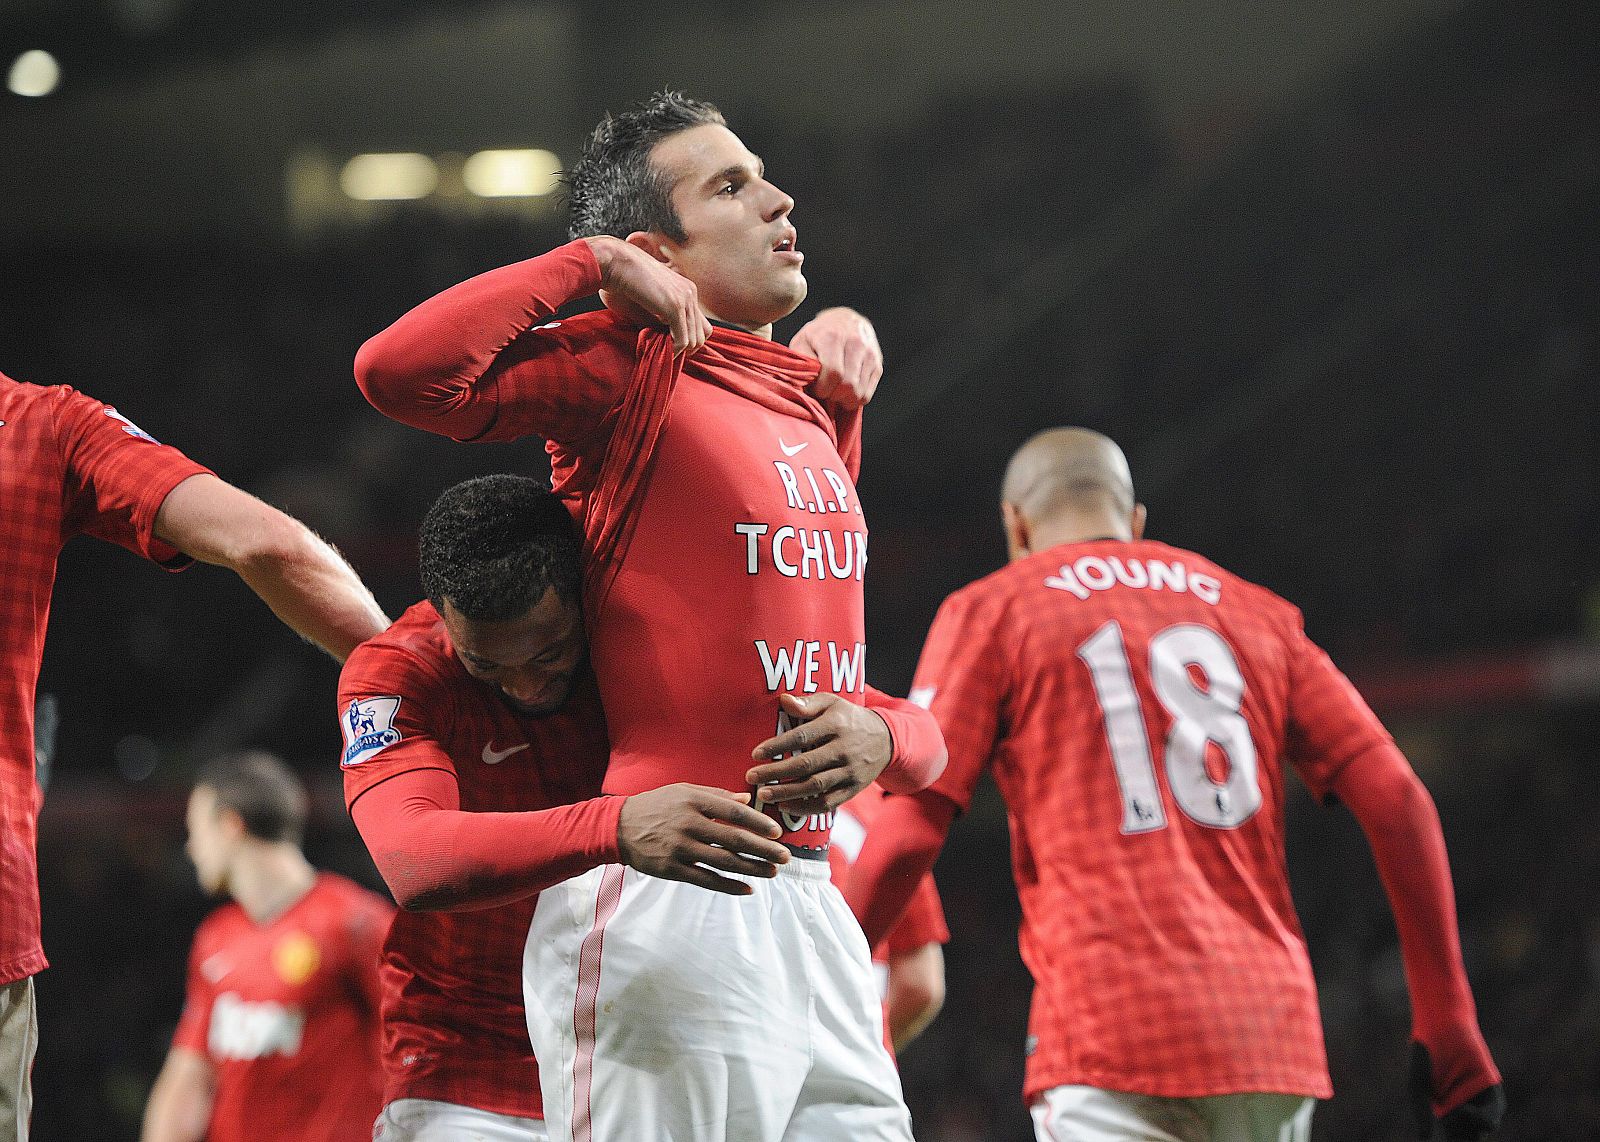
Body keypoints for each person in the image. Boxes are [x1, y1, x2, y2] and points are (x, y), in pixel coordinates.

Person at [355, 90, 945, 1142]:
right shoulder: (629, 367)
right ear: (655, 251)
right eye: (730, 186)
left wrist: (881, 733)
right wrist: (586, 266)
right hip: (673, 897)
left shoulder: (800, 399)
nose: (778, 197)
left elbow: (882, 706)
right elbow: (398, 374)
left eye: (760, 173)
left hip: (815, 905)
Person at [843, 428, 1506, 1142]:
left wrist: (818, 974)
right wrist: (1450, 1020)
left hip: (1113, 1036)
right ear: (1134, 523)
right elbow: (1399, 799)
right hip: (1270, 1044)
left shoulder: (998, 608)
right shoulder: (1257, 612)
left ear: (1015, 523)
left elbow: (910, 829)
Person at [342, 473, 811, 1141]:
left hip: (641, 1036)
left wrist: (884, 735)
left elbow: (870, 712)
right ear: (443, 616)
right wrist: (616, 827)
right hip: (472, 1059)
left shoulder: (649, 632)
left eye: (550, 653)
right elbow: (411, 861)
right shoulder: (397, 675)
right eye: (487, 665)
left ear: (583, 593)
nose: (525, 685)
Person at [0, 371, 389, 1139]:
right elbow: (265, 540)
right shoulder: (36, 424)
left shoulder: (353, 928)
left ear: (232, 822)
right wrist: (416, 679)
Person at [141, 751, 394, 1142]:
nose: (191, 848)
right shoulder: (215, 937)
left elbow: (419, 1053)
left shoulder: (356, 923)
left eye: (195, 830)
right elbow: (190, 1073)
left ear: (229, 826)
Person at [828, 783, 948, 1053]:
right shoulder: (885, 802)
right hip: (859, 1062)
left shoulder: (728, 783)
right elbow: (920, 984)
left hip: (750, 1050)